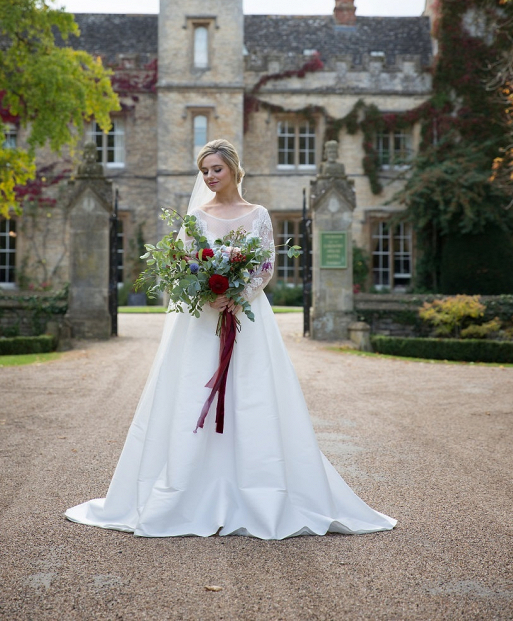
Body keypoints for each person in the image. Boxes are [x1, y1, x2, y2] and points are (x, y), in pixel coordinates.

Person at [65, 139, 396, 539]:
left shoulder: (258, 214)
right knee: (192, 394)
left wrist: (239, 294)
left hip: (248, 318)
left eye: (216, 169)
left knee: (252, 395)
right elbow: (183, 266)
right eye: (204, 170)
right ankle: (191, 487)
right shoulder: (197, 217)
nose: (209, 177)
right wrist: (207, 291)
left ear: (234, 169)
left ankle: (258, 490)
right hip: (203, 322)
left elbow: (267, 265)